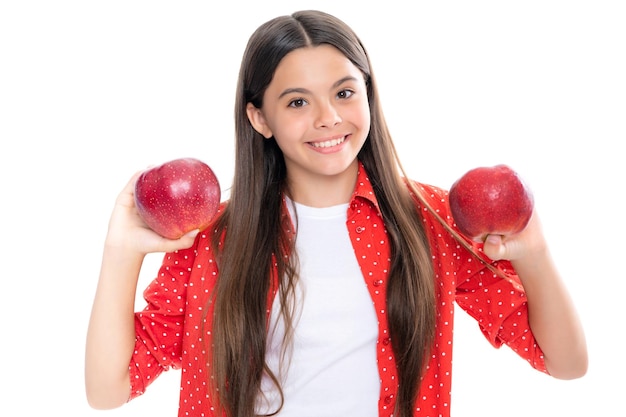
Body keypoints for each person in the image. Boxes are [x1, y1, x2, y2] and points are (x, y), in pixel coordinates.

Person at [85, 9, 587, 417]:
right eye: (297, 101)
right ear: (259, 118)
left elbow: (565, 363)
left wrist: (534, 252)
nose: (328, 117)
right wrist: (120, 251)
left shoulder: (430, 220)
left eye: (344, 92)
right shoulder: (212, 237)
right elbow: (108, 390)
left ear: (368, 93)